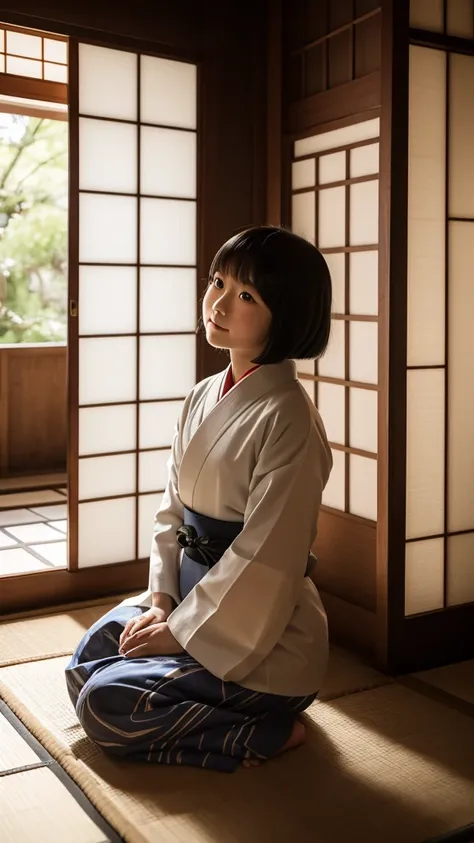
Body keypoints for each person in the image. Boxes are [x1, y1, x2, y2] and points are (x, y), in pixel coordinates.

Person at [65, 225, 333, 773]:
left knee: (103, 705)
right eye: (218, 282)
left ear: (287, 315)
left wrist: (183, 635)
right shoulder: (203, 394)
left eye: (246, 296)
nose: (218, 303)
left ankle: (265, 731)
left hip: (262, 639)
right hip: (187, 604)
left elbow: (269, 556)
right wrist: (161, 599)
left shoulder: (289, 418)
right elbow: (172, 511)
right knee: (85, 663)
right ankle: (208, 704)